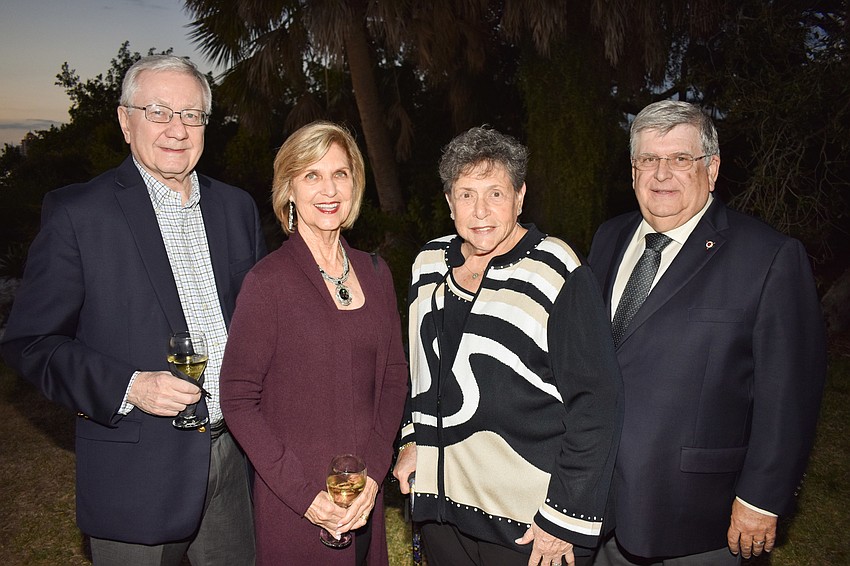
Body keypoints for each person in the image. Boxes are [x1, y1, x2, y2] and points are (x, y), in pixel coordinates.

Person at [0, 55, 266, 565]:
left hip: (235, 461)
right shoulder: (80, 213)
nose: (177, 130)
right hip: (137, 473)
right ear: (126, 121)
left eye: (192, 115)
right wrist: (130, 386)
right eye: (158, 111)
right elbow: (29, 341)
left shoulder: (235, 208)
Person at [587, 100, 826, 565]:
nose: (661, 174)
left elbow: (790, 395)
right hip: (599, 500)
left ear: (711, 169)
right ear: (632, 170)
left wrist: (762, 498)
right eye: (648, 160)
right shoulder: (609, 238)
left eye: (680, 159)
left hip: (698, 516)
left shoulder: (768, 257)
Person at [392, 126, 622, 566]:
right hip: (441, 511)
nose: (480, 210)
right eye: (466, 194)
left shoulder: (556, 268)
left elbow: (598, 402)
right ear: (448, 201)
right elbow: (419, 373)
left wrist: (565, 517)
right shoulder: (427, 264)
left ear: (520, 196)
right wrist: (411, 439)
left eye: (495, 193)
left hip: (527, 525)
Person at [218, 121, 409, 565]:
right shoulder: (267, 283)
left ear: (355, 184)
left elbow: (394, 379)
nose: (328, 189)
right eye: (312, 175)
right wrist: (305, 497)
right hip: (295, 504)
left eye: (340, 174)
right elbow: (238, 397)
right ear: (288, 189)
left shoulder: (377, 274)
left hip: (364, 499)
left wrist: (375, 477)